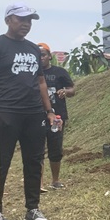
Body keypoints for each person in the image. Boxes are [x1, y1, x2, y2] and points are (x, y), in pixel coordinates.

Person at [0, 3, 56, 220]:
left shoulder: (33, 49)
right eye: (21, 19)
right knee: (1, 162)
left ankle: (32, 209)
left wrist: (49, 111)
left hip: (33, 113)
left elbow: (41, 82)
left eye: (29, 20)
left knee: (34, 161)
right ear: (8, 20)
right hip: (7, 111)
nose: (26, 24)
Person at [37, 42, 75, 191]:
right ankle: (39, 183)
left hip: (57, 117)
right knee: (37, 149)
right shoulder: (32, 73)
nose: (41, 58)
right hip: (36, 116)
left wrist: (66, 92)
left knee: (55, 148)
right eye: (38, 55)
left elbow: (72, 90)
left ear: (49, 56)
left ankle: (55, 180)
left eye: (43, 55)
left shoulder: (60, 72)